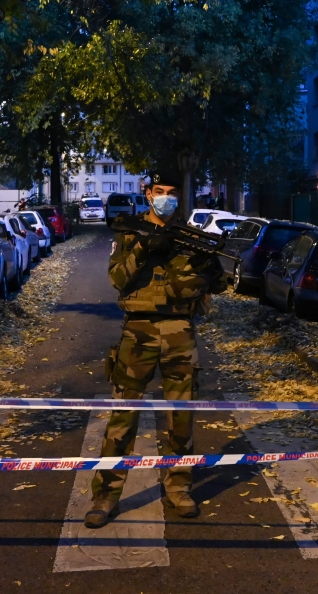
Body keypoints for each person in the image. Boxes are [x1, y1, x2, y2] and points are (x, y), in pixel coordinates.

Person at [84, 170, 228, 529]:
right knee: (123, 416)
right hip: (138, 331)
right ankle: (105, 496)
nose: (165, 197)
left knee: (181, 417)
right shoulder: (130, 233)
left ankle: (179, 488)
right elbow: (117, 279)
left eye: (172, 192)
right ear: (147, 194)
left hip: (180, 331)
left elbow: (220, 285)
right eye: (159, 191)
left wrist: (207, 265)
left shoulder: (190, 237)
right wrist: (145, 248)